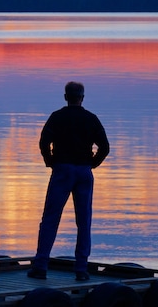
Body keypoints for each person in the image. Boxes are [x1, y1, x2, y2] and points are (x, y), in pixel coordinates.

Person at [28, 81, 109, 281]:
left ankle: (41, 266)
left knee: (50, 219)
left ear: (66, 97)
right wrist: (92, 164)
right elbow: (105, 147)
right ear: (82, 97)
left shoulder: (57, 117)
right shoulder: (91, 119)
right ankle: (81, 270)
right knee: (84, 222)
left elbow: (43, 141)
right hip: (83, 172)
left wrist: (50, 161)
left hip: (62, 170)